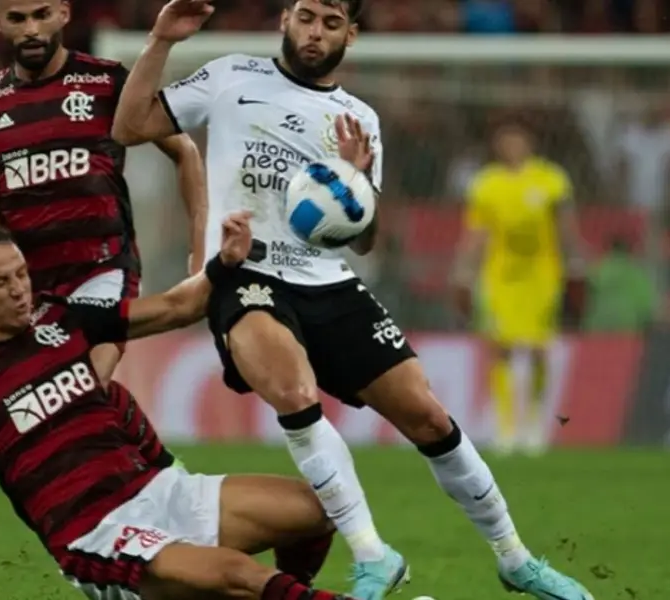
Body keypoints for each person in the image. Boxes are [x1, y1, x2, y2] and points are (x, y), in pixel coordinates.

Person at [110, 1, 593, 599]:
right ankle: (372, 554)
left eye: (331, 24)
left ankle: (515, 558)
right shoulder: (232, 76)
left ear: (351, 35)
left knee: (429, 417)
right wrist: (160, 40)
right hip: (244, 270)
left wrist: (351, 181)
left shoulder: (356, 117)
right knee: (293, 392)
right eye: (307, 17)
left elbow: (363, 239)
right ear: (286, 18)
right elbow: (129, 128)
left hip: (327, 280)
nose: (316, 33)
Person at [0, 213, 350, 600]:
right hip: (98, 532)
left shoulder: (63, 319)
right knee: (240, 577)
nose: (21, 289)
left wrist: (222, 264)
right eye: (0, 282)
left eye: (21, 273)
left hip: (159, 492)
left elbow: (174, 308)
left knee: (317, 510)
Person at [0, 0, 208, 391]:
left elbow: (185, 151)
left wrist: (200, 247)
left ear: (64, 14)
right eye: (18, 19)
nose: (32, 29)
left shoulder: (106, 81)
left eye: (42, 15)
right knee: (57, 414)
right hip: (30, 285)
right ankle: (152, 455)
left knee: (77, 391)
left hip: (102, 268)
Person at [454, 120, 588, 455]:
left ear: (529, 142)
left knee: (539, 348)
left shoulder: (550, 179)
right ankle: (506, 428)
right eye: (505, 140)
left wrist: (576, 260)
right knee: (501, 348)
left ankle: (534, 424)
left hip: (542, 274)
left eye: (517, 139)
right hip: (500, 276)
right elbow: (478, 231)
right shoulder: (486, 183)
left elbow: (565, 224)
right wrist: (464, 269)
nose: (511, 146)